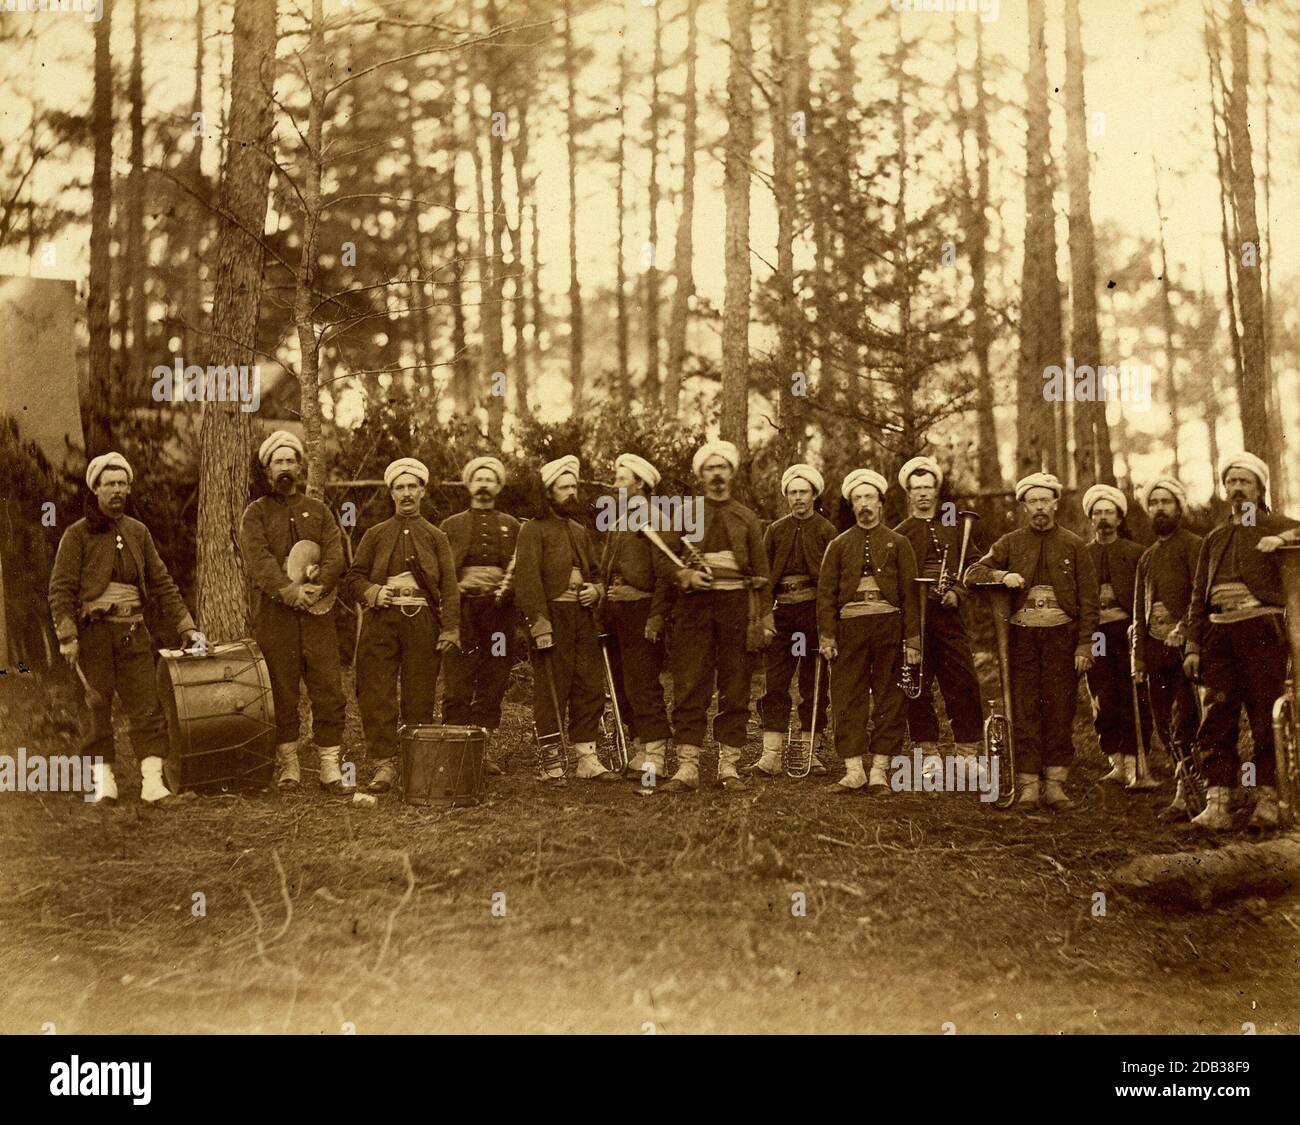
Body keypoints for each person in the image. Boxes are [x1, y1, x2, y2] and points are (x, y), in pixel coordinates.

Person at [48, 452, 199, 805]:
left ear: (129, 489)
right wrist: (68, 636)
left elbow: (162, 583)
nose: (117, 490)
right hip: (94, 635)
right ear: (95, 488)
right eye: (109, 483)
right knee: (95, 709)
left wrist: (186, 627)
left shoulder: (138, 532)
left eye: (122, 483)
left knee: (147, 705)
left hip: (134, 632)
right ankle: (104, 785)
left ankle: (152, 785)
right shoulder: (77, 535)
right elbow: (61, 588)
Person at [965, 473, 1099, 809]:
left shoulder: (1074, 544)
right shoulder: (1010, 542)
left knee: (1059, 707)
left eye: (1045, 500)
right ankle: (1027, 785)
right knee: (1023, 707)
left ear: (1056, 503)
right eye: (1032, 501)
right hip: (1021, 639)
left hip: (1062, 638)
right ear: (1024, 506)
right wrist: (1001, 575)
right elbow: (971, 574)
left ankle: (1054, 784)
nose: (1039, 507)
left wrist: (1085, 645)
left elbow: (1090, 603)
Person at [1184, 452, 1299, 830]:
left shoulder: (1276, 523)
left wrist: (1282, 537)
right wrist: (1193, 645)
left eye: (1244, 481)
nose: (1236, 488)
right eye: (1231, 481)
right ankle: (1219, 802)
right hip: (1218, 633)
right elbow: (1199, 593)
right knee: (1216, 715)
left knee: (1265, 714)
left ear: (1259, 487)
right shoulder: (1215, 537)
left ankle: (1267, 798)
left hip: (1260, 631)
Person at [656, 440, 772, 793]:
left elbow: (763, 573)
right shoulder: (684, 512)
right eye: (710, 468)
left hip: (737, 607)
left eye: (723, 467)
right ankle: (687, 767)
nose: (717, 474)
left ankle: (729, 767)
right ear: (700, 475)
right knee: (690, 682)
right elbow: (663, 560)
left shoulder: (746, 517)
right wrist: (686, 576)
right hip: (694, 609)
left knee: (736, 685)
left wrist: (765, 618)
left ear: (732, 473)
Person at [238, 430, 350, 794]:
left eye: (290, 461)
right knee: (282, 690)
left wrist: (320, 587)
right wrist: (288, 592)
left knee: (328, 688)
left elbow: (335, 553)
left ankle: (330, 767)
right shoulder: (255, 514)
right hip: (276, 618)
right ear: (267, 469)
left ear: (301, 467)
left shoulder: (318, 511)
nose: (285, 468)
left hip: (319, 615)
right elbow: (259, 561)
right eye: (277, 462)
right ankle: (289, 767)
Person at [343, 457, 460, 794]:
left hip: (423, 620)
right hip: (381, 619)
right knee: (377, 692)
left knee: (419, 692)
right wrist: (372, 592)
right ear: (391, 492)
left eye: (412, 486)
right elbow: (353, 577)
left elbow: (450, 587)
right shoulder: (376, 534)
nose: (406, 493)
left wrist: (450, 629)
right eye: (400, 487)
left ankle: (416, 762)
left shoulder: (436, 537)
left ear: (423, 491)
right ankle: (383, 765)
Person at [514, 455, 617, 785]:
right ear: (548, 492)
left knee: (588, 686)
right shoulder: (532, 530)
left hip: (582, 618)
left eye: (574, 486)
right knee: (551, 689)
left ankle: (587, 758)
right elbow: (527, 579)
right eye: (564, 487)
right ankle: (552, 764)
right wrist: (539, 624)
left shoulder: (578, 530)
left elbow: (597, 573)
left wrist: (595, 591)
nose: (572, 493)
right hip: (552, 618)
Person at [818, 469, 920, 794]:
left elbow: (910, 595)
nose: (864, 504)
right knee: (847, 695)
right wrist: (827, 635)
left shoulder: (899, 543)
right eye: (857, 498)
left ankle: (879, 771)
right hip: (849, 628)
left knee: (891, 696)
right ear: (851, 503)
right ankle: (853, 771)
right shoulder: (837, 545)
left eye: (869, 497)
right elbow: (826, 595)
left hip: (889, 626)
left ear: (880, 502)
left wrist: (913, 640)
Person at [893, 455, 984, 783]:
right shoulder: (900, 533)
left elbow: (973, 563)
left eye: (927, 487)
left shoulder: (954, 523)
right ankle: (928, 753)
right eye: (915, 488)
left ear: (936, 490)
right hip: (916, 619)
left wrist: (958, 591)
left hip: (950, 616)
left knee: (963, 681)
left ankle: (967, 754)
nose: (922, 494)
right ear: (908, 494)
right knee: (916, 685)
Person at [746, 463, 836, 779]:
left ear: (813, 495)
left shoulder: (826, 530)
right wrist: (765, 617)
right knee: (776, 682)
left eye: (803, 492)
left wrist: (827, 626)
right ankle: (770, 755)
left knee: (815, 683)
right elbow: (761, 577)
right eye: (793, 492)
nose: (798, 498)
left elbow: (833, 580)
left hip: (813, 613)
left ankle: (810, 753)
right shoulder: (775, 530)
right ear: (787, 496)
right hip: (782, 614)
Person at [441, 456, 520, 776]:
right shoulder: (451, 525)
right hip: (463, 613)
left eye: (490, 480)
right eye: (478, 479)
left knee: (494, 677)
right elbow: (442, 572)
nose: (484, 485)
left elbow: (520, 569)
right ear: (469, 485)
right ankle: (455, 750)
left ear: (499, 486)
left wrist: (507, 590)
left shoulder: (512, 525)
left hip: (499, 614)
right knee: (458, 678)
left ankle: (480, 749)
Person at [598, 453, 672, 784]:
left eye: (622, 479)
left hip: (641, 611)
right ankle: (640, 749)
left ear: (639, 483)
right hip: (615, 613)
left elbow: (664, 574)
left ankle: (656, 757)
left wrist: (656, 617)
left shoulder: (653, 518)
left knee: (643, 683)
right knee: (624, 685)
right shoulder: (617, 521)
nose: (616, 485)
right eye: (615, 479)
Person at [1080, 484, 1152, 789]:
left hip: (1126, 630)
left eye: (1109, 512)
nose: (1103, 518)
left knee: (1133, 693)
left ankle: (1137, 761)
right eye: (1097, 513)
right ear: (1091, 519)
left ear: (1119, 518)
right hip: (1097, 633)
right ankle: (1116, 761)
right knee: (1102, 693)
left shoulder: (1136, 554)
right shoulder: (1083, 554)